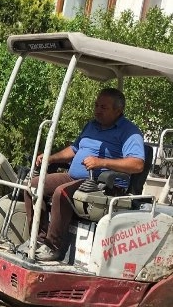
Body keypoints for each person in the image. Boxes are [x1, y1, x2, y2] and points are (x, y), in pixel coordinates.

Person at [24, 87, 145, 261]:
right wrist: (51, 158)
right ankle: (38, 240)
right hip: (74, 177)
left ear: (118, 110)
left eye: (103, 107)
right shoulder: (91, 125)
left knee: (61, 193)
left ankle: (53, 247)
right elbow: (74, 149)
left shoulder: (130, 132)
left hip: (101, 185)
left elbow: (137, 164)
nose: (97, 110)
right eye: (96, 105)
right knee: (33, 186)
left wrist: (102, 162)